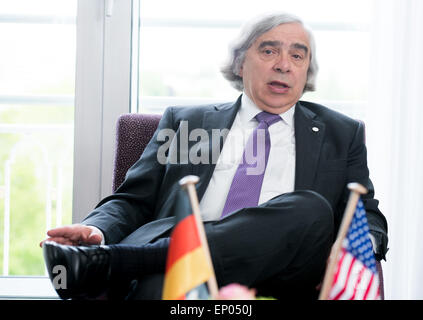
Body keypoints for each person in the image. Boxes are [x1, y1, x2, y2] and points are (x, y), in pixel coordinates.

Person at [41, 12, 388, 300]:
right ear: (240, 63)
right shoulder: (186, 122)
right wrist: (95, 229)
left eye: (298, 55)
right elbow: (133, 200)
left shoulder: (342, 133)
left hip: (284, 268)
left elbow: (367, 216)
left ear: (306, 70)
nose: (284, 65)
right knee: (159, 285)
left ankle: (118, 261)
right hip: (179, 265)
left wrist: (357, 248)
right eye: (269, 51)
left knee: (311, 208)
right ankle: (140, 259)